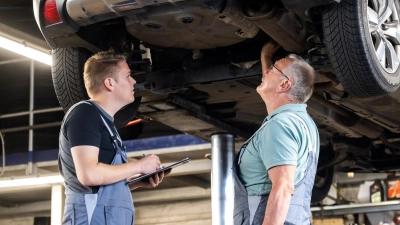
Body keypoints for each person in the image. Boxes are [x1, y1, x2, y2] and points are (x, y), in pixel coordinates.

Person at [58, 51, 169, 225]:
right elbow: (89, 175)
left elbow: (98, 188)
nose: (133, 81)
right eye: (128, 76)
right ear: (109, 83)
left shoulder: (107, 124)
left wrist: (134, 182)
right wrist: (138, 165)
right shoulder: (85, 113)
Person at [233, 40, 320, 225]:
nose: (265, 72)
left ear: (284, 85)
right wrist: (265, 56)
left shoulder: (280, 125)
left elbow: (283, 186)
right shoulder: (299, 122)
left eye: (272, 69)